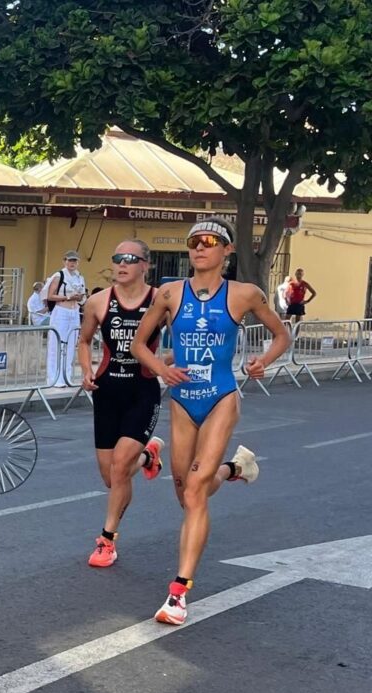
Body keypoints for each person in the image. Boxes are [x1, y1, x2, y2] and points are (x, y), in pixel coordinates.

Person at [130, 218, 291, 626]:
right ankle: (234, 469)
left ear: (227, 250)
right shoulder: (170, 293)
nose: (199, 248)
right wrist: (162, 370)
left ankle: (178, 592)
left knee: (196, 489)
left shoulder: (244, 293)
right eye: (193, 242)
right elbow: (138, 344)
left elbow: (282, 335)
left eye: (209, 241)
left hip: (221, 397)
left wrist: (262, 362)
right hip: (183, 400)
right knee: (185, 492)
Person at [77, 241, 165, 568]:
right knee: (111, 477)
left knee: (119, 468)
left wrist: (167, 363)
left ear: (145, 265)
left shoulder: (161, 300)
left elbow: (184, 337)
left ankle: (107, 541)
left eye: (130, 258)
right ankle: (148, 456)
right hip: (107, 391)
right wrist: (86, 370)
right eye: (117, 258)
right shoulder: (98, 301)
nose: (122, 264)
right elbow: (84, 340)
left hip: (142, 391)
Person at [44, 250, 87, 386]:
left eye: (74, 261)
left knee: (70, 345)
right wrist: (68, 297)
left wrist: (80, 298)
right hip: (61, 311)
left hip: (74, 311)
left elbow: (82, 295)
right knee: (57, 344)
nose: (72, 263)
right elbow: (50, 295)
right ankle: (54, 378)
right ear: (65, 261)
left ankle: (66, 377)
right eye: (70, 260)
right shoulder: (59, 275)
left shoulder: (79, 277)